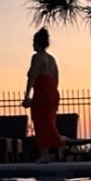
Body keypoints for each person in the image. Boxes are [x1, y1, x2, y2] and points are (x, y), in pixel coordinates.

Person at [22, 28, 61, 163]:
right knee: (49, 121)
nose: (32, 44)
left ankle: (46, 153)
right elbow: (56, 79)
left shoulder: (37, 57)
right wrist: (52, 93)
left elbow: (32, 77)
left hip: (42, 91)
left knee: (40, 122)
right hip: (52, 92)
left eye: (34, 42)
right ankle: (54, 150)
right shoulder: (52, 59)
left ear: (38, 42)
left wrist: (27, 96)